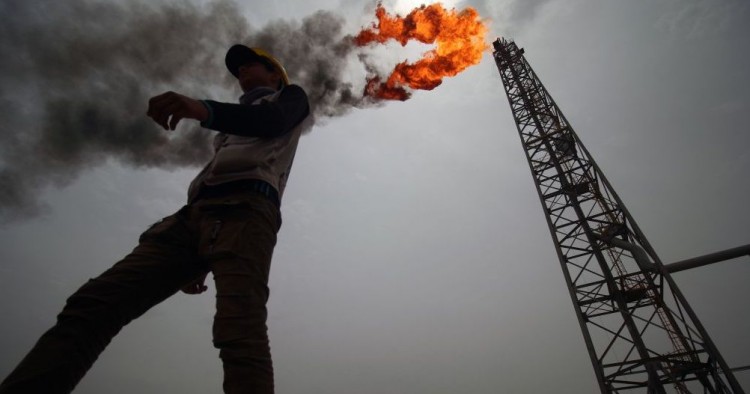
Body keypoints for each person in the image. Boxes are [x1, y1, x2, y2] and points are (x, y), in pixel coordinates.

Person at [0, 44, 312, 394]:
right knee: (93, 305)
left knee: (240, 329)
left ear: (275, 75)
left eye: (252, 65)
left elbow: (270, 123)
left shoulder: (291, 99)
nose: (242, 72)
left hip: (247, 210)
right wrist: (197, 259)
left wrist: (202, 109)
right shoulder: (230, 127)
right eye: (238, 69)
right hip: (190, 221)